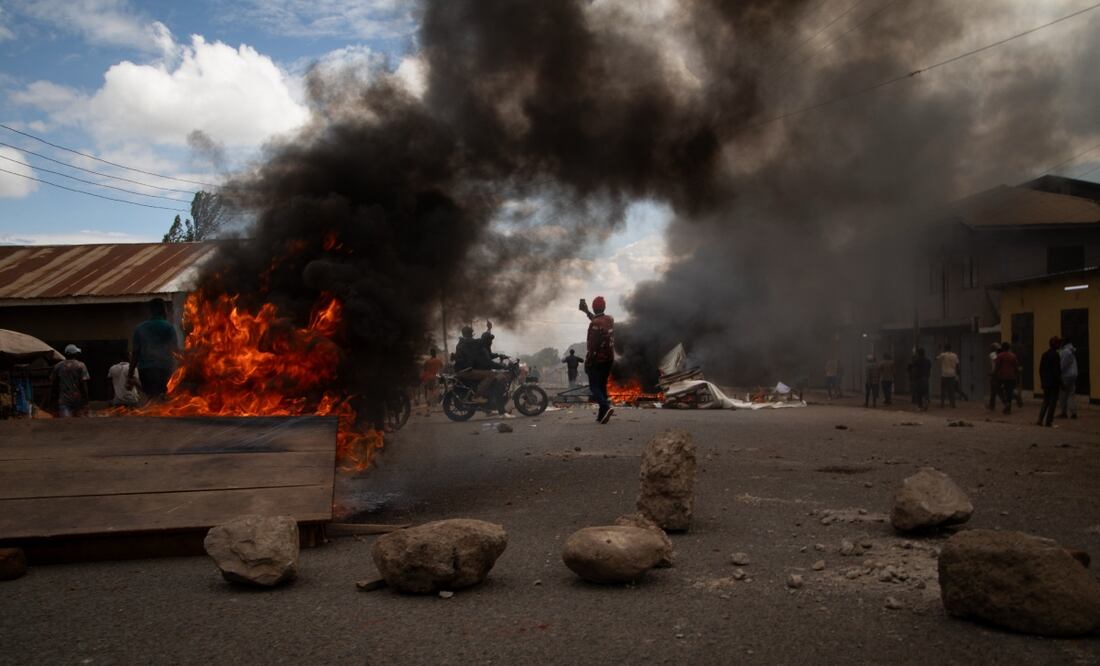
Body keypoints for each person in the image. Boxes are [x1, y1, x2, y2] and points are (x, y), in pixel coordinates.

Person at [127, 298, 179, 400]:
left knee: (151, 397)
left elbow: (135, 354)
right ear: (163, 310)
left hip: (145, 371)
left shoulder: (140, 328)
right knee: (162, 398)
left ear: (150, 311)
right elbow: (175, 350)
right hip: (164, 369)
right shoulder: (168, 327)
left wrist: (130, 374)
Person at [580, 295, 615, 424]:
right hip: (609, 359)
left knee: (594, 386)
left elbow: (593, 346)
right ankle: (601, 415)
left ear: (594, 308)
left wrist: (588, 362)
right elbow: (599, 320)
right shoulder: (610, 319)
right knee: (602, 385)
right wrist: (586, 312)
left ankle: (606, 406)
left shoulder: (594, 324)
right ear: (604, 307)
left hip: (597, 360)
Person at [51, 344, 90, 417]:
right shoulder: (81, 365)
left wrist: (54, 400)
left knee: (67, 422)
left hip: (64, 400)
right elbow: (83, 384)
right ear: (75, 354)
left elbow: (54, 384)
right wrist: (86, 399)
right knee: (79, 421)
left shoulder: (58, 366)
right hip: (78, 400)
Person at [1037, 336, 1062, 427]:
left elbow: (1040, 369)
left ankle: (1040, 420)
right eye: (1058, 343)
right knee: (1052, 403)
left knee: (1046, 401)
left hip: (1046, 382)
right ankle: (1049, 421)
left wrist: (1042, 381)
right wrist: (1061, 382)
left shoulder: (1044, 354)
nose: (1059, 345)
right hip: (1053, 383)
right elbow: (1056, 371)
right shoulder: (1055, 355)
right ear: (1055, 344)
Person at [993, 342, 1020, 415]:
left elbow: (997, 366)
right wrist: (1017, 377)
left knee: (998, 389)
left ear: (1002, 348)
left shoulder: (1000, 356)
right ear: (1009, 348)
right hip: (1011, 376)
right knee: (1009, 392)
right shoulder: (1013, 356)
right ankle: (1008, 409)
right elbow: (1016, 367)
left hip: (1002, 376)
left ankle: (1006, 403)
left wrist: (994, 375)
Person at [419, 348, 443, 415]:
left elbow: (424, 370)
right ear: (435, 353)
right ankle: (435, 407)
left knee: (430, 392)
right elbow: (440, 370)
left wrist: (423, 378)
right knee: (435, 391)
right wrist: (438, 377)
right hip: (436, 378)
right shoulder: (439, 361)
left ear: (430, 353)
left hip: (428, 378)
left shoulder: (427, 361)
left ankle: (429, 407)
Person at [1059, 340, 1078, 419]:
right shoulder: (1071, 350)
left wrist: (1059, 372)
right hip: (1073, 375)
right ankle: (1073, 412)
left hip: (1066, 375)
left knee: (1063, 395)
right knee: (1071, 394)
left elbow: (1063, 365)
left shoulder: (1065, 351)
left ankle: (1064, 412)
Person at [936, 343, 960, 408]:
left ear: (945, 348)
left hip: (944, 374)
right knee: (952, 390)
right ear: (950, 348)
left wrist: (938, 350)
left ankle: (942, 404)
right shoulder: (955, 355)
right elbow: (957, 366)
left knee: (943, 390)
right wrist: (957, 376)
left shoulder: (943, 355)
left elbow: (936, 358)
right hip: (952, 375)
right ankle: (952, 404)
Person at [986, 342, 1000, 410]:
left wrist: (992, 372)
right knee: (996, 390)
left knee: (994, 390)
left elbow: (995, 363)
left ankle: (992, 406)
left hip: (995, 373)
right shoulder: (1000, 354)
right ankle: (991, 405)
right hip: (999, 373)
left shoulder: (992, 354)